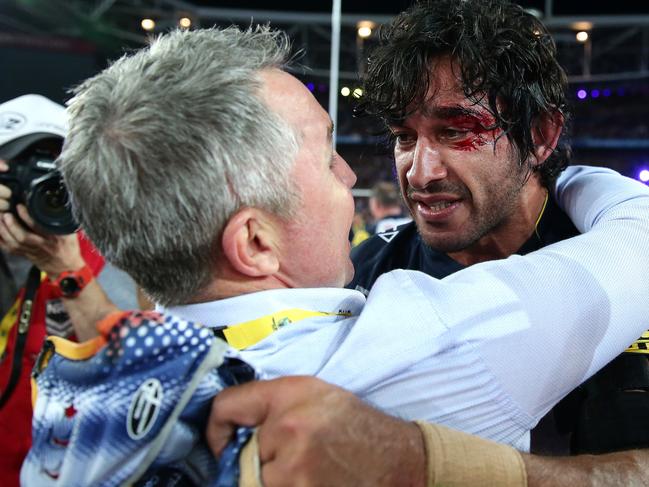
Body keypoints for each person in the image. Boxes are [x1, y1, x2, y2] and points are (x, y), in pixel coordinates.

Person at [23, 26, 649, 485]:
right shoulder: (415, 343)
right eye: (326, 158)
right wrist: (564, 175)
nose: (355, 175)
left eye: (455, 132)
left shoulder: (79, 391)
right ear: (255, 243)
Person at [348, 0, 649, 461]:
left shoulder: (622, 255)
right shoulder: (363, 279)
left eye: (455, 132)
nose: (418, 173)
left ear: (542, 135)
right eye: (404, 136)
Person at [0, 94, 126, 486]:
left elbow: (131, 375)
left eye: (58, 176)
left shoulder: (113, 252)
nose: (41, 190)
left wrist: (66, 270)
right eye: (21, 172)